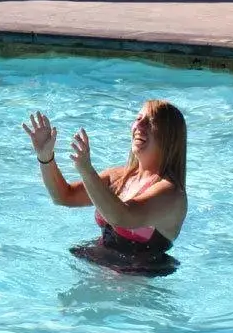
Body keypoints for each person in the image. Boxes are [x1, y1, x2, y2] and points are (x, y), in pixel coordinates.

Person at [23, 100, 188, 276]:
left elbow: (121, 217)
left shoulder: (171, 194)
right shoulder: (118, 177)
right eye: (138, 118)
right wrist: (45, 157)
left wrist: (86, 170)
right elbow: (64, 196)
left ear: (170, 136)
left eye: (151, 121)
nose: (139, 125)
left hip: (135, 286)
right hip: (94, 266)